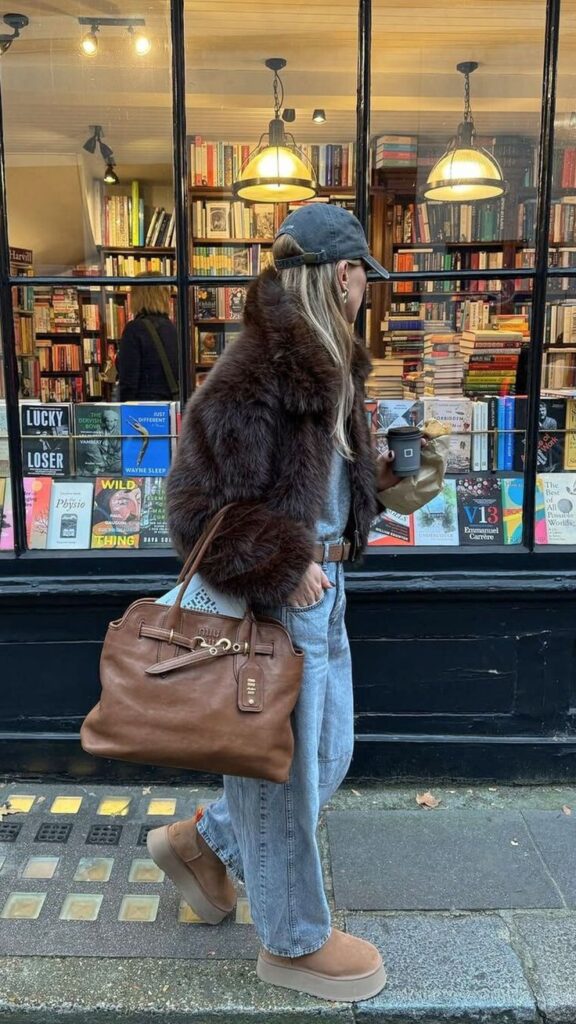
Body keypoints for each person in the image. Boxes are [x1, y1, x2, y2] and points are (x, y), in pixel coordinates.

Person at [147, 204, 400, 1002]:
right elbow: (191, 510)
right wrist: (284, 563)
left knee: (326, 756)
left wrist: (382, 485)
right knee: (284, 775)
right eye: (365, 275)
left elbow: (313, 489)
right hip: (280, 605)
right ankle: (291, 944)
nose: (370, 292)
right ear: (342, 274)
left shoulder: (329, 365)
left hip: (325, 596)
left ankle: (204, 845)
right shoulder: (260, 369)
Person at [116, 274, 179, 401]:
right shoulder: (173, 329)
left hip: (144, 411)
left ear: (137, 297)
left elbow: (128, 384)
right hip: (169, 406)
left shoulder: (134, 329)